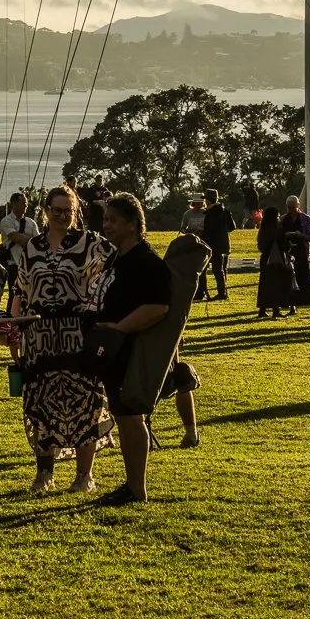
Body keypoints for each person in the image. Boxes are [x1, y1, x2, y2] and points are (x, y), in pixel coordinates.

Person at [89, 193, 198, 504]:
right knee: (123, 415)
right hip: (112, 348)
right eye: (105, 219)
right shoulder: (117, 257)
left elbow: (158, 307)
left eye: (113, 220)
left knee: (130, 416)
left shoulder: (146, 261)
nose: (106, 225)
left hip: (131, 349)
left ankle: (137, 488)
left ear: (133, 224)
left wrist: (120, 327)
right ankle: (131, 485)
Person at [15, 184, 113, 494]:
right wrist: (14, 329)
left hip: (78, 335)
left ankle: (84, 476)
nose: (62, 216)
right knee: (40, 405)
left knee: (86, 403)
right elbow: (20, 291)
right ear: (45, 212)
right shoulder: (32, 247)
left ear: (76, 213)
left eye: (68, 211)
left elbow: (117, 269)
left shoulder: (91, 244)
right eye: (56, 210)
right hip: (39, 337)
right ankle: (44, 474)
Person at [254, 199, 296, 318]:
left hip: (265, 260)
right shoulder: (278, 230)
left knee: (265, 285)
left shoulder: (263, 230)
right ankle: (275, 310)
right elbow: (284, 245)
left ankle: (262, 310)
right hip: (277, 260)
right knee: (276, 286)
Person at [201, 189, 234, 302]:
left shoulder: (210, 213)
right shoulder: (225, 211)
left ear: (209, 200)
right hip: (225, 243)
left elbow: (207, 232)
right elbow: (232, 227)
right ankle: (223, 291)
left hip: (215, 245)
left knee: (217, 269)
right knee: (222, 269)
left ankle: (221, 293)